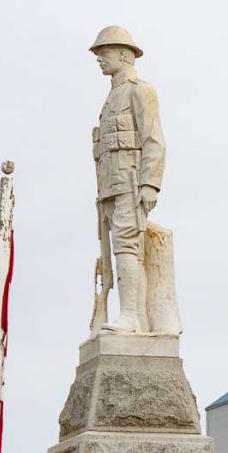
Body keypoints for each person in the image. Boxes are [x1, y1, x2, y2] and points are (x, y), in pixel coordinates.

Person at [90, 26, 166, 333]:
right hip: (110, 186)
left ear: (124, 54)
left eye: (104, 53)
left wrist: (149, 183)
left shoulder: (140, 90)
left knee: (127, 248)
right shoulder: (111, 97)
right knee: (118, 249)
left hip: (131, 183)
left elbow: (153, 139)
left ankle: (132, 316)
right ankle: (126, 314)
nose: (99, 59)